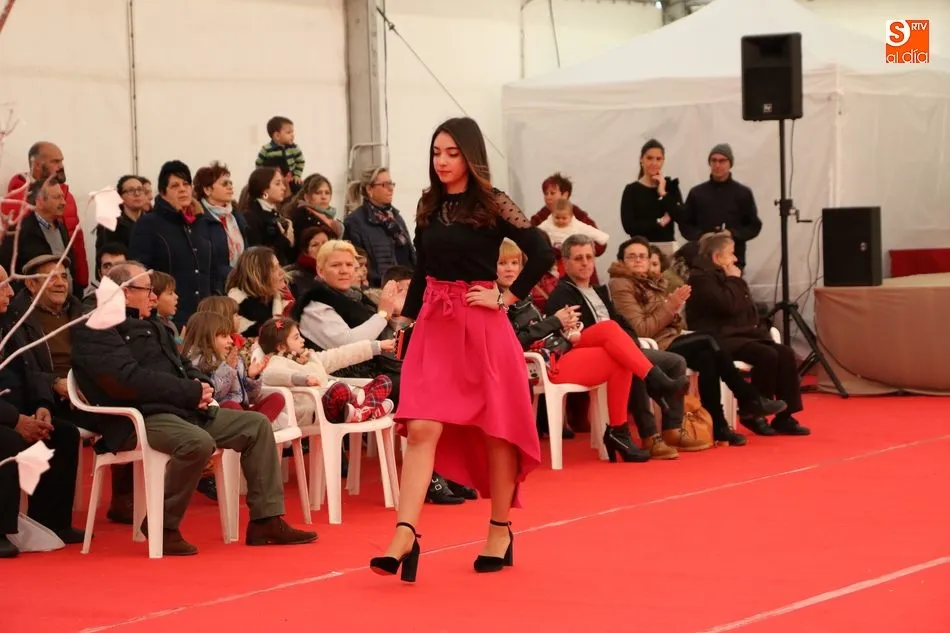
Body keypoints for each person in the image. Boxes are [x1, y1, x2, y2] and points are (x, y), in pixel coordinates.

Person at [369, 117, 555, 582]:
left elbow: (542, 252)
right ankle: (405, 533)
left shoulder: (493, 202)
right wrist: (405, 321)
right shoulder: (428, 204)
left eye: (452, 153)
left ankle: (499, 529)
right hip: (434, 324)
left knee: (495, 430)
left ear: (471, 156)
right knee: (421, 425)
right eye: (437, 152)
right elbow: (421, 268)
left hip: (481, 324)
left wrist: (506, 298)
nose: (443, 161)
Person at [70, 262, 318, 555]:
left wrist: (202, 384)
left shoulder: (154, 323)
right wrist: (189, 392)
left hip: (181, 409)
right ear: (125, 292)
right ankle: (163, 525)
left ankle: (266, 520)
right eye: (148, 290)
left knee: (256, 425)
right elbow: (126, 381)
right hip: (137, 417)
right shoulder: (95, 328)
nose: (154, 296)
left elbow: (183, 363)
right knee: (197, 443)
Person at [498, 239, 688, 462]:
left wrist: (568, 330)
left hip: (560, 350)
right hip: (540, 365)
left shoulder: (525, 298)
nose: (510, 268)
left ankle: (619, 431)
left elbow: (621, 324)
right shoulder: (497, 301)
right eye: (503, 263)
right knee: (611, 333)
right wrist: (555, 322)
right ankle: (654, 381)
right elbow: (513, 341)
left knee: (617, 348)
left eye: (515, 263)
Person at [609, 237, 787, 445]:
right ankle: (747, 397)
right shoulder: (620, 284)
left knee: (707, 359)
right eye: (632, 257)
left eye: (642, 256)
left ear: (649, 260)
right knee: (710, 339)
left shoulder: (652, 281)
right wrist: (670, 307)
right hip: (654, 345)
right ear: (621, 261)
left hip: (673, 337)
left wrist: (674, 310)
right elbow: (641, 328)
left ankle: (719, 425)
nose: (638, 260)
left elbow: (672, 322)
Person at [685, 232, 810, 436]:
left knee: (785, 353)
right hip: (718, 337)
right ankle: (753, 412)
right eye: (731, 253)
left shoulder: (726, 276)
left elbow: (746, 307)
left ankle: (785, 416)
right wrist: (735, 280)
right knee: (766, 355)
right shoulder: (700, 279)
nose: (735, 259)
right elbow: (729, 306)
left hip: (742, 334)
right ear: (717, 257)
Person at [678, 144, 762, 269]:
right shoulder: (697, 193)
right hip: (702, 259)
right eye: (714, 160)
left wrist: (732, 233)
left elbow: (754, 226)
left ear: (730, 164)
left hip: (733, 259)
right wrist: (701, 237)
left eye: (722, 161)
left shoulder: (743, 193)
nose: (717, 165)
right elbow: (685, 224)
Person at [619, 139, 684, 257]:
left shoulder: (671, 187)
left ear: (663, 161)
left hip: (667, 250)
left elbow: (681, 217)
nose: (654, 163)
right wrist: (658, 222)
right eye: (649, 158)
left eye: (658, 159)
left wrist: (663, 193)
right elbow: (629, 226)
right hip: (641, 251)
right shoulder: (631, 190)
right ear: (641, 159)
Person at [256, 116, 305, 187]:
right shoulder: (266, 149)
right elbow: (259, 164)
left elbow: (301, 161)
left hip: (291, 179)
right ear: (277, 135)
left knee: (299, 187)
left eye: (292, 132)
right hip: (273, 181)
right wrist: (263, 178)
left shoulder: (294, 148)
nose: (292, 135)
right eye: (289, 132)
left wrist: (297, 175)